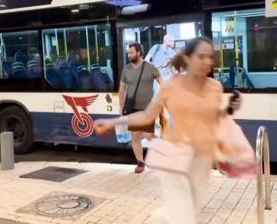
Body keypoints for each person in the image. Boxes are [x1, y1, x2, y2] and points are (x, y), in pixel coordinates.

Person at [95, 37, 241, 223]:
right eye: (201, 56)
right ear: (188, 58)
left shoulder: (215, 87)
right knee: (182, 214)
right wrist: (113, 122)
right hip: (176, 160)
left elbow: (215, 121)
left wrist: (228, 120)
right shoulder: (171, 86)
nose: (207, 62)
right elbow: (147, 116)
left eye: (210, 57)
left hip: (201, 162)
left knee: (191, 209)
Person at [119, 42, 162, 173]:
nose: (128, 55)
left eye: (131, 52)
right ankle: (140, 163)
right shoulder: (126, 69)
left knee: (148, 136)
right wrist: (121, 110)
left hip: (147, 109)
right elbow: (122, 89)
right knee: (135, 137)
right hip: (132, 109)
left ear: (139, 52)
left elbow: (164, 84)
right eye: (128, 52)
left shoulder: (151, 68)